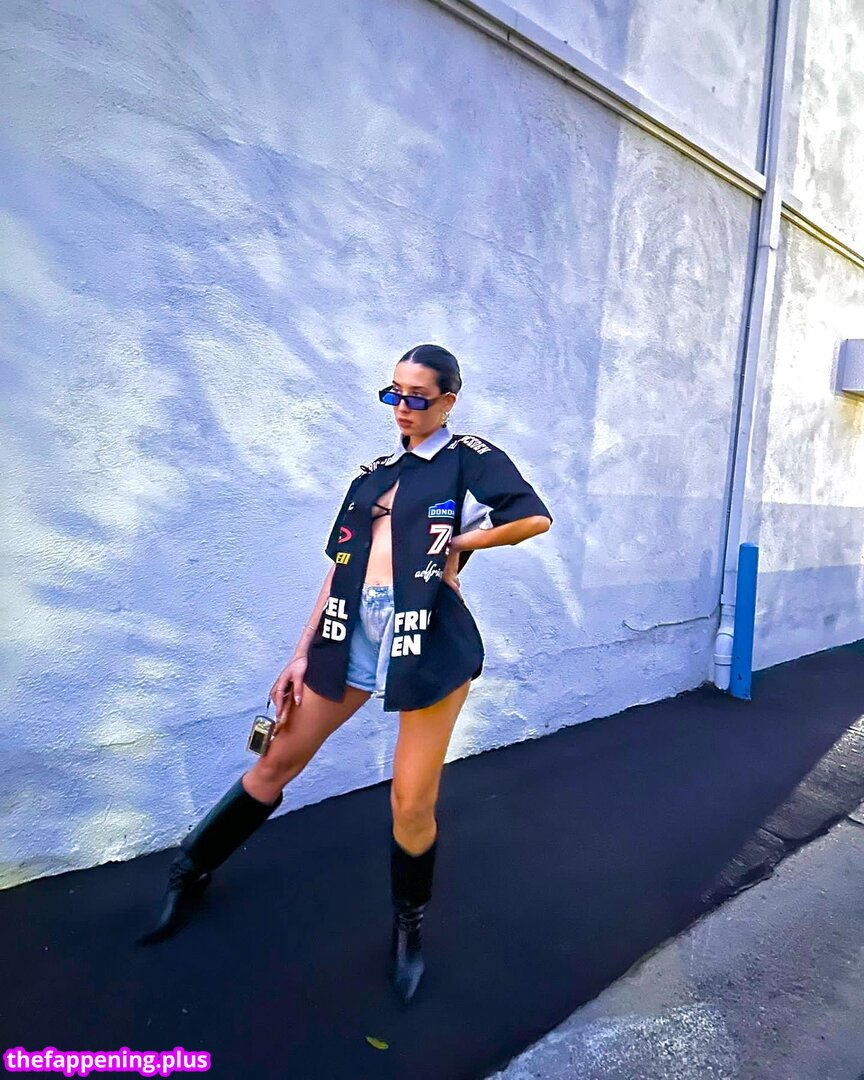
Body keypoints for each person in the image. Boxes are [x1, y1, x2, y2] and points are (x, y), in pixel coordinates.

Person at [136, 344, 553, 1004]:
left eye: (417, 398)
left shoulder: (467, 458)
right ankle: (190, 871)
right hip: (348, 626)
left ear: (448, 401)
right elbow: (338, 569)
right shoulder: (372, 476)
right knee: (276, 759)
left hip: (427, 634)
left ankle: (408, 928)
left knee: (410, 800)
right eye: (394, 395)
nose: (402, 409)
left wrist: (461, 544)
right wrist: (300, 653)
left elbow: (532, 517)